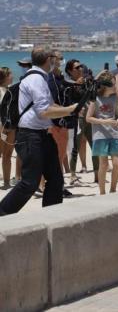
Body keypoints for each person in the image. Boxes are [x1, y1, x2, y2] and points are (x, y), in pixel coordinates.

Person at [0, 47, 76, 215]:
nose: (56, 61)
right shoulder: (36, 79)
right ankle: (2, 214)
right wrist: (69, 110)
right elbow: (44, 111)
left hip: (42, 135)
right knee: (29, 182)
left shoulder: (40, 77)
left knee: (55, 179)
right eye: (54, 58)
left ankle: (51, 215)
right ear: (49, 60)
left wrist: (70, 109)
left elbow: (49, 105)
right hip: (30, 136)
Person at [85, 71, 118, 195]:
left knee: (117, 163)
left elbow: (117, 114)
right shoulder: (95, 99)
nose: (115, 86)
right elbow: (88, 118)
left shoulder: (115, 98)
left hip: (113, 134)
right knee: (104, 164)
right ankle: (102, 192)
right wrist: (104, 121)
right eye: (113, 84)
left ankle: (113, 189)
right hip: (100, 135)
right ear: (106, 86)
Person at [0, 67, 16, 189]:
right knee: (3, 154)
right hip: (2, 126)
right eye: (10, 74)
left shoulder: (11, 90)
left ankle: (6, 182)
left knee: (8, 154)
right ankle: (5, 182)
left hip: (11, 126)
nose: (12, 76)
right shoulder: (1, 91)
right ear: (5, 76)